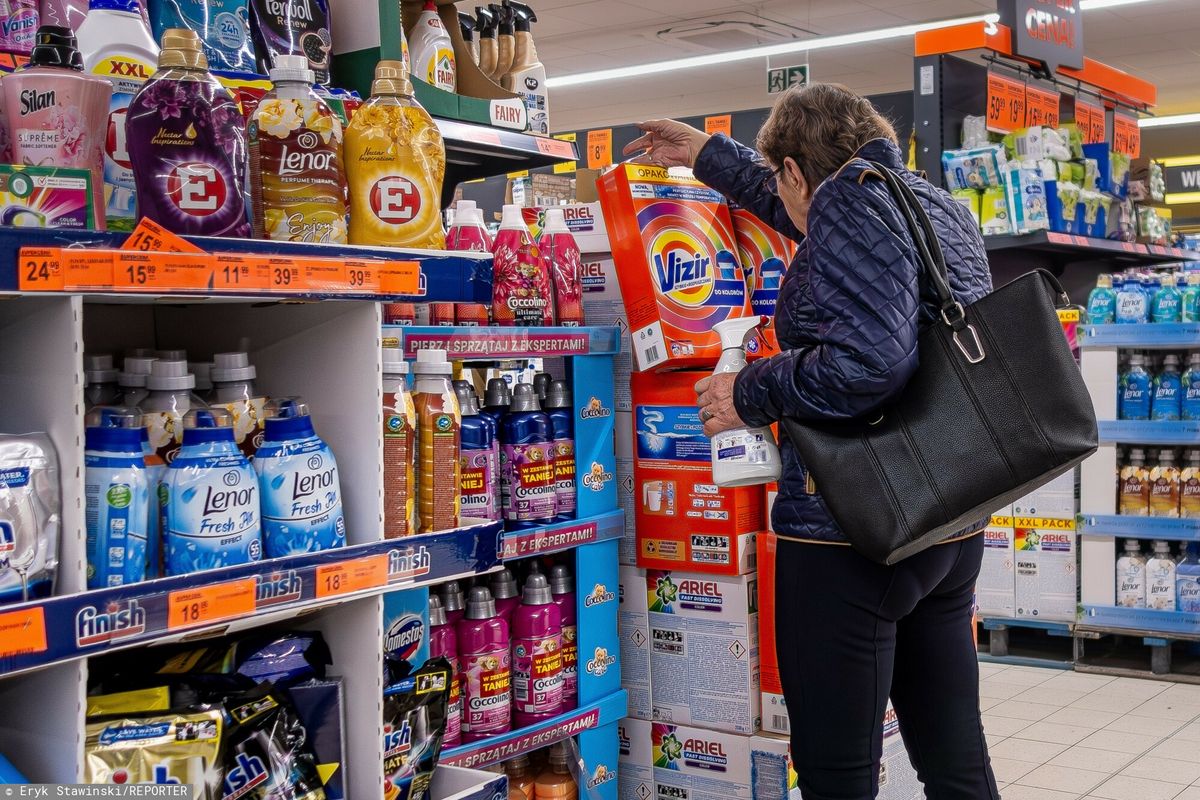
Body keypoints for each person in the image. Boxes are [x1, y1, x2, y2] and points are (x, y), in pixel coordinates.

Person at [624, 83, 999, 800]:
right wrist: (709, 155)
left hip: (853, 531)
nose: (783, 199)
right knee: (955, 760)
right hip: (948, 513)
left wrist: (749, 390)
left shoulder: (851, 205)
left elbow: (870, 365)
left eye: (780, 179)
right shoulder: (924, 199)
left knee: (836, 773)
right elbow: (811, 223)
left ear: (797, 171)